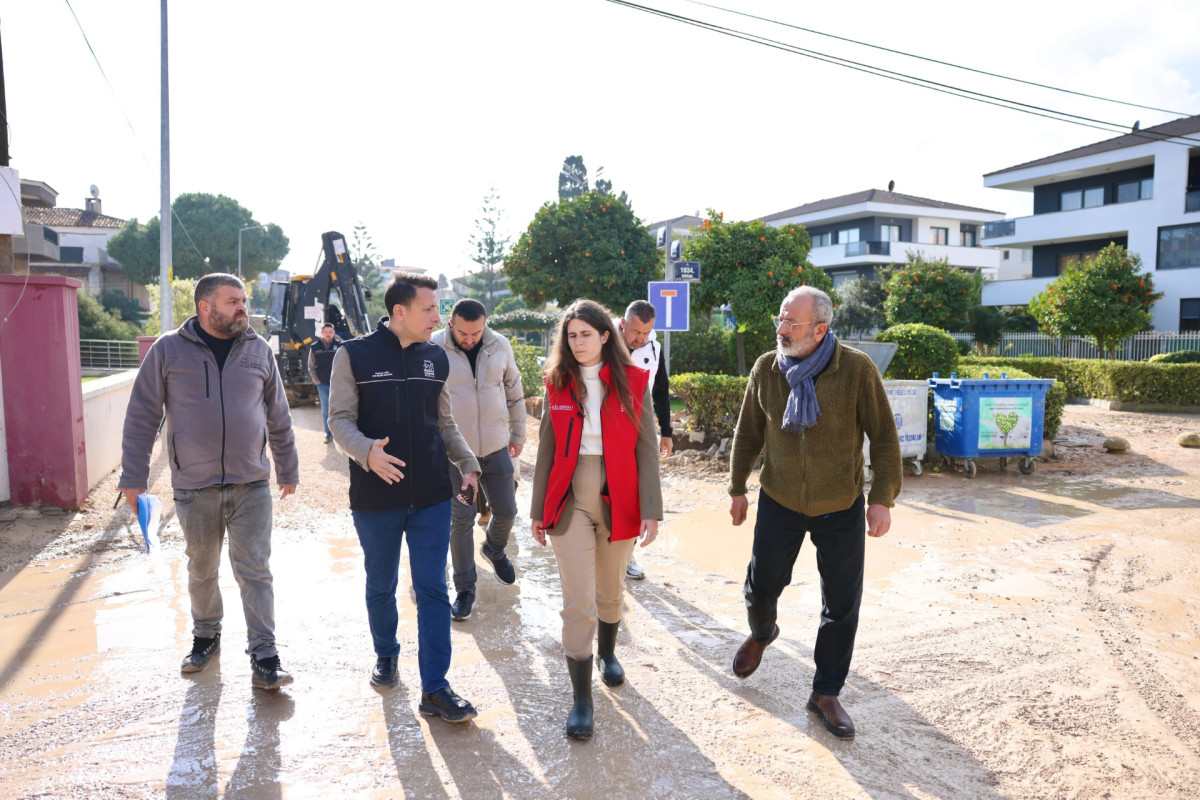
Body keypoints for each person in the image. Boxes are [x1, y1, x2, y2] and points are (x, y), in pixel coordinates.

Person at [727, 286, 901, 740]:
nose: (781, 330)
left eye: (792, 323)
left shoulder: (856, 370)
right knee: (762, 583)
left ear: (820, 329)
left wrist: (882, 497)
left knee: (841, 604)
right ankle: (763, 633)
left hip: (840, 505)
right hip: (779, 499)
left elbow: (883, 438)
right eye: (780, 320)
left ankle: (825, 692)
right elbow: (748, 434)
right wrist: (736, 488)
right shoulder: (767, 369)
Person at [118, 273, 300, 690]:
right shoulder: (168, 349)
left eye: (244, 300)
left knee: (255, 568)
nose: (243, 307)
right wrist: (133, 476)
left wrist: (287, 468)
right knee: (202, 567)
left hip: (251, 483)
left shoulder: (258, 349)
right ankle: (205, 635)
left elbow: (278, 414)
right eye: (233, 301)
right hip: (194, 485)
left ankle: (265, 653)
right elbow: (142, 415)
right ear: (205, 307)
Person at [327, 272, 482, 724]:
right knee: (381, 585)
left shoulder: (437, 357)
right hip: (377, 496)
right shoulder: (351, 355)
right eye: (430, 309)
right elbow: (338, 420)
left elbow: (445, 422)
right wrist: (365, 453)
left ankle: (435, 687)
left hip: (433, 492)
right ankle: (386, 655)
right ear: (400, 312)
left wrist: (468, 463)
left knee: (433, 588)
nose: (439, 317)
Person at [530, 299, 663, 740]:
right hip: (570, 497)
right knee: (577, 601)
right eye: (571, 335)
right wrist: (537, 511)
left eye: (586, 333)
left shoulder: (633, 380)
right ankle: (582, 700)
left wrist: (651, 509)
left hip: (619, 492)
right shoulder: (558, 382)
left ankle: (608, 655)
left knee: (611, 589)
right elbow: (547, 447)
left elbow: (646, 446)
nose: (578, 342)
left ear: (607, 335)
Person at [430, 298, 526, 620]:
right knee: (462, 520)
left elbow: (513, 390)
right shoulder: (433, 349)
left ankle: (494, 549)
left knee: (508, 511)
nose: (469, 339)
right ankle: (465, 589)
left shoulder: (499, 346)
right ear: (451, 324)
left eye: (476, 333)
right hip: (458, 455)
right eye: (463, 334)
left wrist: (518, 434)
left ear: (484, 325)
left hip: (497, 446)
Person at [615, 299, 674, 581]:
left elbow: (661, 391)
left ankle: (626, 555)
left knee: (635, 493)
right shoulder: (602, 342)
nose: (640, 339)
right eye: (636, 332)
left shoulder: (654, 348)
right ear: (624, 324)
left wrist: (667, 432)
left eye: (646, 333)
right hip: (606, 430)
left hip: (639, 431)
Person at [307, 322, 342, 443]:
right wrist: (316, 381)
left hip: (337, 384)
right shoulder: (314, 347)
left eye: (330, 332)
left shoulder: (340, 346)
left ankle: (339, 434)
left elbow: (344, 365)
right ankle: (328, 434)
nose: (328, 334)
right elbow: (311, 366)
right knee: (325, 410)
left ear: (334, 333)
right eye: (326, 332)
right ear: (322, 333)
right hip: (322, 384)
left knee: (339, 409)